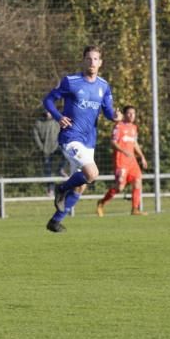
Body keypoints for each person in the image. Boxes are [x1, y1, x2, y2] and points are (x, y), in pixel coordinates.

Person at [43, 44, 122, 233]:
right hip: (71, 137)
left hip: (89, 142)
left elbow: (108, 111)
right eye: (89, 58)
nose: (92, 62)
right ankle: (61, 189)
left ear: (100, 63)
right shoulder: (71, 81)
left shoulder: (104, 86)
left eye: (95, 59)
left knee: (81, 187)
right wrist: (59, 117)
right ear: (83, 60)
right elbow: (48, 100)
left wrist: (116, 116)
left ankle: (55, 221)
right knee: (92, 174)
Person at [96, 105, 149, 216]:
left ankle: (135, 209)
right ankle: (101, 202)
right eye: (129, 113)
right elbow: (113, 142)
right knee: (120, 186)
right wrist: (124, 151)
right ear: (124, 115)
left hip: (132, 162)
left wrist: (142, 157)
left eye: (133, 113)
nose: (131, 115)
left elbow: (135, 144)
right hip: (121, 161)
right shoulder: (118, 126)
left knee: (138, 182)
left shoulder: (134, 128)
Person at [33, 110, 63, 196]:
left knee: (68, 156)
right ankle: (51, 190)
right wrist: (41, 147)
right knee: (48, 171)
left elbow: (63, 130)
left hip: (58, 147)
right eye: (47, 112)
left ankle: (60, 169)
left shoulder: (57, 120)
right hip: (46, 150)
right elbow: (36, 136)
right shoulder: (39, 123)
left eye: (50, 112)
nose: (48, 114)